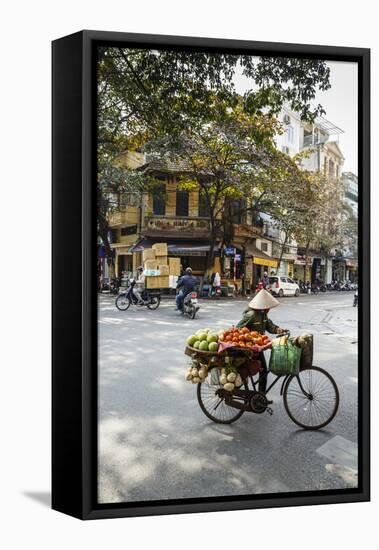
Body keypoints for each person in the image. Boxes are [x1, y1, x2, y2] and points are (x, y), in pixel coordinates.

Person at [236, 288, 287, 393]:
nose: (269, 308)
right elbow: (238, 329)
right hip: (249, 349)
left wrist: (278, 330)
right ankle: (238, 391)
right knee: (248, 371)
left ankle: (261, 395)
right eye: (267, 306)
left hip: (258, 348)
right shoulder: (252, 315)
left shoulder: (263, 314)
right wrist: (249, 337)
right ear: (262, 305)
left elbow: (269, 325)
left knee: (262, 369)